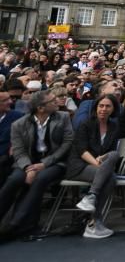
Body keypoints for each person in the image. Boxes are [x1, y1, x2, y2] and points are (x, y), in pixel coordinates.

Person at [0, 90, 73, 240]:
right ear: (41, 108)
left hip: (55, 162)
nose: (58, 101)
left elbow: (67, 144)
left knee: (40, 179)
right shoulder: (19, 124)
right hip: (27, 162)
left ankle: (16, 225)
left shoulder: (63, 118)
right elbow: (19, 151)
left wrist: (43, 164)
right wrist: (29, 167)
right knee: (15, 180)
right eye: (53, 100)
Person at [66, 93, 120, 239]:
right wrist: (97, 163)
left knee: (114, 155)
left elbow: (110, 151)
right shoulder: (86, 124)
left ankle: (91, 198)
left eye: (108, 106)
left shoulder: (114, 126)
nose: (103, 109)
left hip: (100, 163)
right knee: (110, 179)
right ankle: (94, 221)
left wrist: (101, 159)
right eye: (100, 106)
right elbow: (81, 150)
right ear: (95, 108)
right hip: (80, 164)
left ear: (113, 109)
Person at [0, 90, 24, 185]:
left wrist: (14, 146)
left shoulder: (18, 117)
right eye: (5, 100)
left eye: (9, 98)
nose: (10, 102)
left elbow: (23, 137)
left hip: (7, 157)